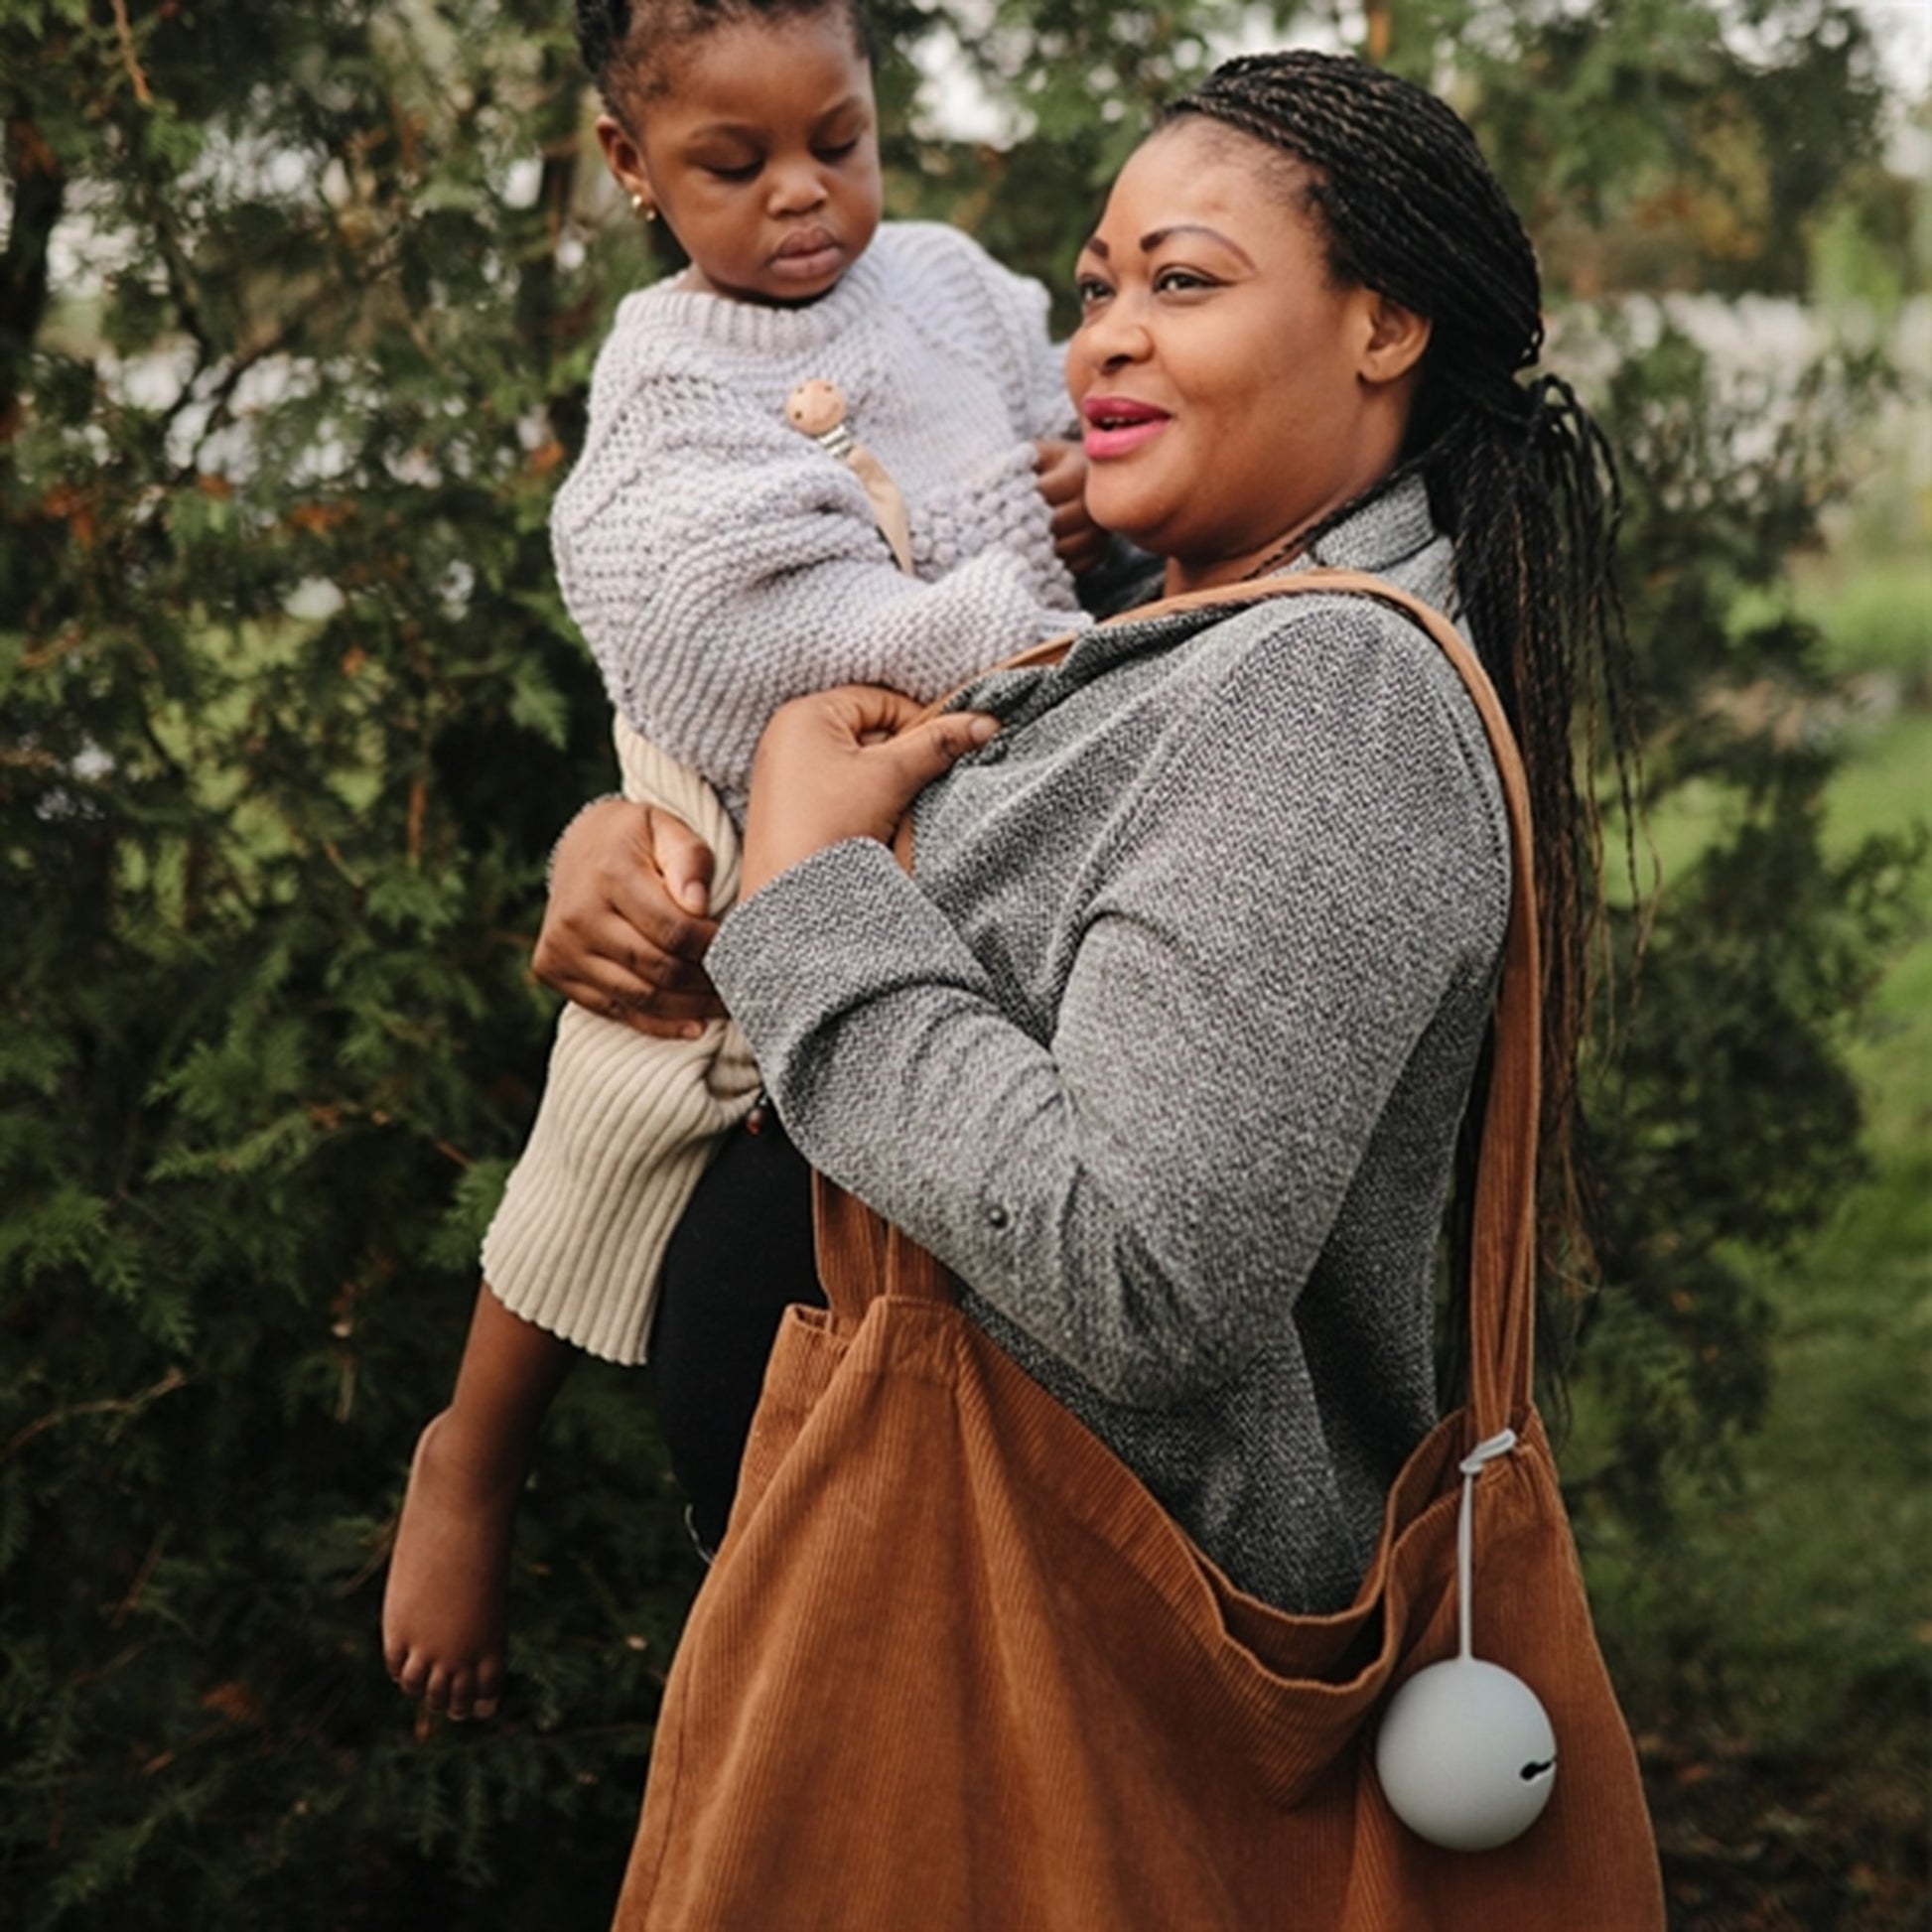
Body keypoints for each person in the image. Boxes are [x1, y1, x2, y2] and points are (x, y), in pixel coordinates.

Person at [538, 47, 1634, 1635]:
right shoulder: (1171, 633)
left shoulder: (1331, 692)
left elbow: (1138, 1271)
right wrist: (627, 837)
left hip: (1041, 1661)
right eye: (1098, 286)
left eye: (1181, 283)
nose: (1102, 337)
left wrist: (804, 893)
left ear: (1380, 323)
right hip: (910, 1605)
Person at [381, 0, 1117, 1723]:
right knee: (635, 1083)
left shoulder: (938, 276)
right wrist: (1013, 624)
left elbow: (1057, 417)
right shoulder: (661, 360)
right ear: (634, 167)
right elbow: (699, 609)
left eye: (837, 143)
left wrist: (1085, 491)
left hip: (947, 744)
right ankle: (474, 1453)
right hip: (730, 756)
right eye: (738, 161)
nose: (804, 194)